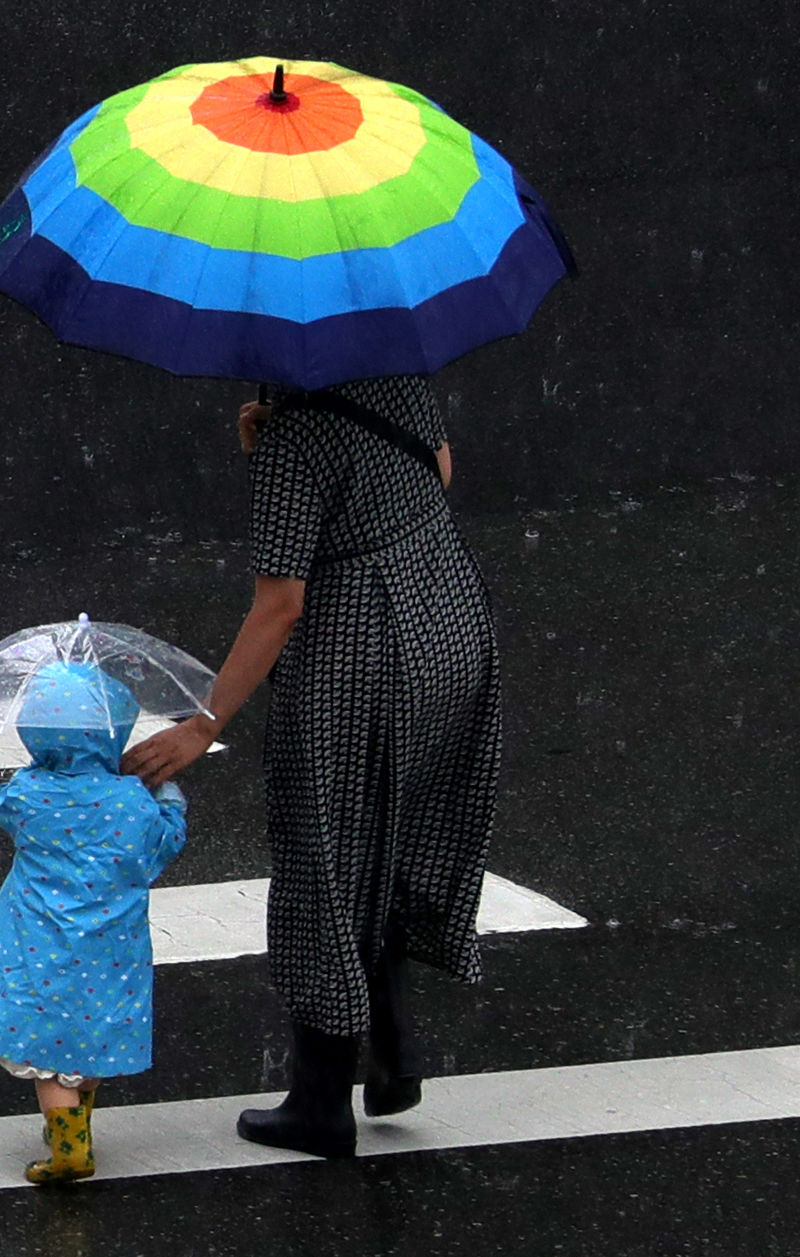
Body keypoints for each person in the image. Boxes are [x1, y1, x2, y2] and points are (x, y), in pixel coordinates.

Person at [121, 374, 501, 1159]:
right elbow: (441, 471)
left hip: (358, 653)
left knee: (321, 862)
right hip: (450, 624)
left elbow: (282, 603)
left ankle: (321, 1099)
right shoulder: (400, 375)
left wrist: (202, 723)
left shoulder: (293, 441)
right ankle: (395, 1045)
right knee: (396, 836)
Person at [0, 660, 191, 1183]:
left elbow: (5, 807)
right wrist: (166, 794)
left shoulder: (28, 795)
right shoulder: (131, 802)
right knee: (87, 1042)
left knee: (48, 1059)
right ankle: (76, 1128)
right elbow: (163, 845)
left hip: (39, 943)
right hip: (111, 948)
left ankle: (70, 1149)